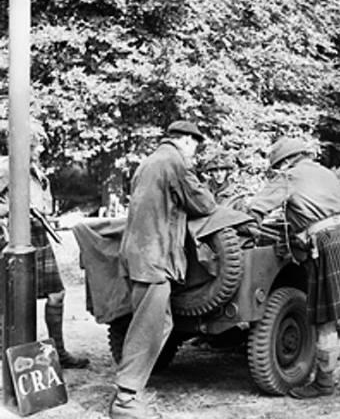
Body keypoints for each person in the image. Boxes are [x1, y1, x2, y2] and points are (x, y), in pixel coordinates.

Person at [248, 136, 340, 400]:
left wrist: (248, 220)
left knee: (325, 321)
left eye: (278, 166)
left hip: (327, 245)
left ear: (286, 161)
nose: (278, 171)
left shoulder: (289, 177)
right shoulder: (324, 172)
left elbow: (256, 208)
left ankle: (324, 385)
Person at [109, 120, 217, 419]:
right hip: (153, 256)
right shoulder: (174, 163)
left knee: (160, 323)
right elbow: (204, 204)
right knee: (149, 326)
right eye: (195, 145)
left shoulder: (149, 162)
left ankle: (130, 388)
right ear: (185, 141)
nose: (194, 151)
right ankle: (125, 400)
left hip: (138, 254)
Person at [0, 121, 89, 369]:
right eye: (34, 144)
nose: (39, 149)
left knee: (56, 294)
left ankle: (58, 351)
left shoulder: (35, 171)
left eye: (38, 144)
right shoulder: (6, 168)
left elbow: (42, 204)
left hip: (38, 235)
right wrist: (12, 210)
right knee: (11, 298)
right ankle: (8, 358)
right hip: (15, 237)